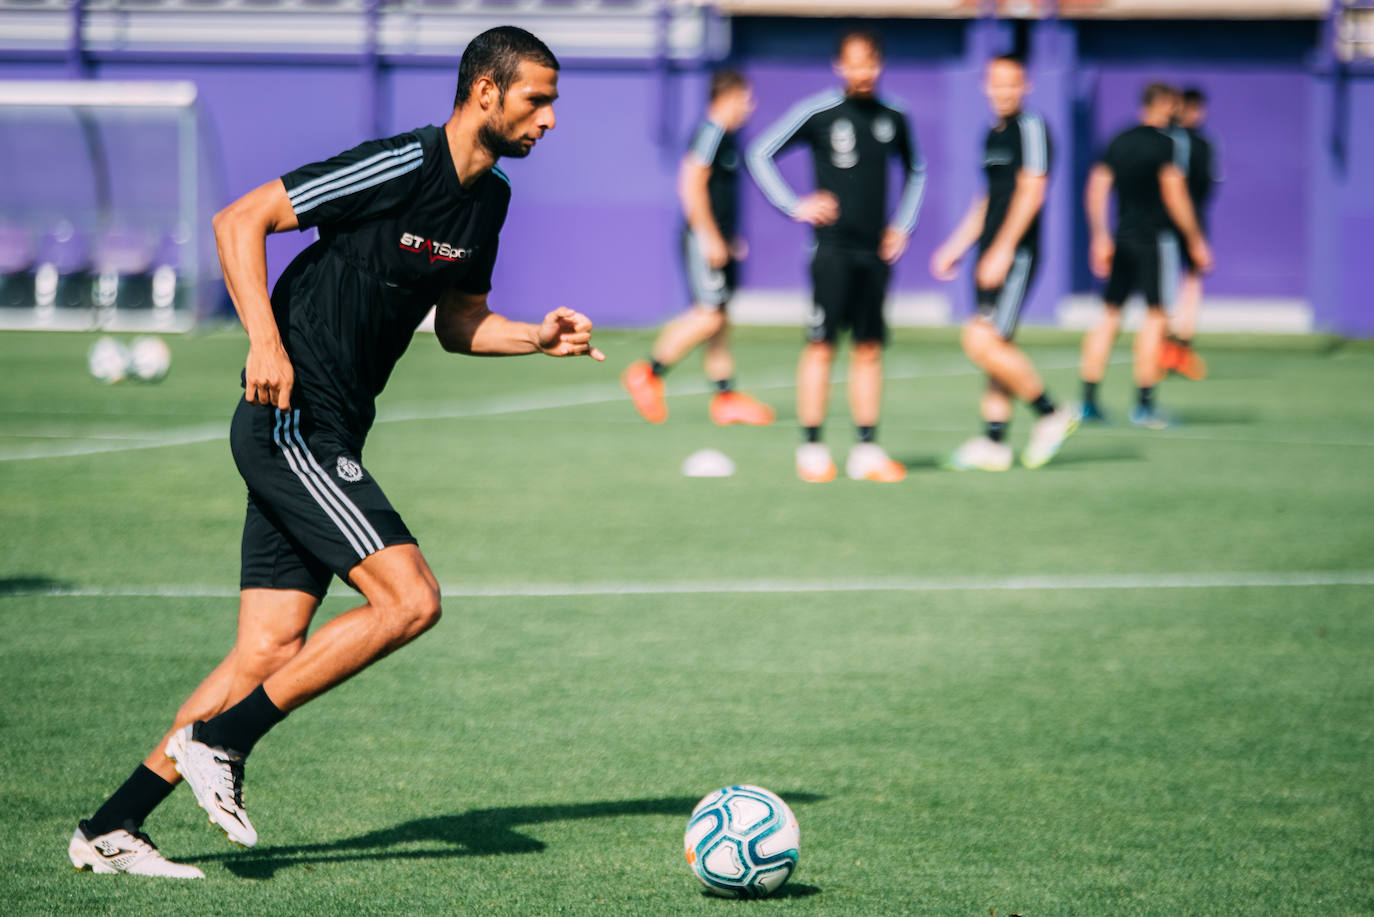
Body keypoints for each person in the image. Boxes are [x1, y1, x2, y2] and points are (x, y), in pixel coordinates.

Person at [68, 26, 602, 878]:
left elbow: (460, 323)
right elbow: (241, 219)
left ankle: (113, 823)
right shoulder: (400, 163)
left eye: (554, 103)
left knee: (267, 650)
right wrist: (264, 342)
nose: (549, 120)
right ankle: (223, 743)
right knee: (410, 598)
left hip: (334, 429)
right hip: (291, 419)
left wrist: (537, 336)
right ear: (485, 93)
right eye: (537, 100)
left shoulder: (488, 202)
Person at [747, 28, 926, 483]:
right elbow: (760, 153)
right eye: (853, 62)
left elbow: (916, 170)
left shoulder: (894, 116)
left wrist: (902, 225)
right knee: (822, 345)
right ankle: (811, 448)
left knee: (868, 349)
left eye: (869, 62)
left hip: (874, 254)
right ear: (838, 66)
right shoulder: (819, 112)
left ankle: (866, 449)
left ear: (880, 65)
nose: (861, 71)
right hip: (831, 251)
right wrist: (795, 205)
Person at [929, 54, 1078, 471]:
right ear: (985, 86)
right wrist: (957, 247)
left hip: (1016, 253)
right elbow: (988, 199)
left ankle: (1051, 412)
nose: (1004, 91)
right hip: (990, 252)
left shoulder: (1032, 129)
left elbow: (1032, 191)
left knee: (980, 340)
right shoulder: (992, 134)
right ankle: (994, 442)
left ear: (1026, 85)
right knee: (996, 346)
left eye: (1012, 83)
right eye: (997, 83)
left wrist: (1004, 248)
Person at [621, 70, 775, 426]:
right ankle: (647, 373)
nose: (749, 107)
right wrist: (709, 237)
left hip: (716, 238)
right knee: (709, 315)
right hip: (701, 239)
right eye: (746, 99)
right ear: (728, 98)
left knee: (720, 319)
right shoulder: (710, 133)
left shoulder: (727, 138)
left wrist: (728, 237)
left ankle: (726, 397)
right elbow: (690, 185)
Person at [1079, 82, 1211, 429]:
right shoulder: (1166, 144)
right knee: (1155, 318)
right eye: (1172, 106)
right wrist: (1196, 240)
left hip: (1121, 238)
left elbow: (1096, 188)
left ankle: (1089, 401)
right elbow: (1175, 195)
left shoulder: (1118, 140)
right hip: (1155, 242)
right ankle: (1144, 404)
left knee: (1109, 316)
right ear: (1162, 105)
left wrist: (1099, 236)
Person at [1160, 86, 1218, 381]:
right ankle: (1167, 351)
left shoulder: (1200, 143)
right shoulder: (1172, 141)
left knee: (1190, 284)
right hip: (1171, 223)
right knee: (1170, 286)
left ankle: (1180, 351)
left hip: (1191, 221)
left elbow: (1207, 187)